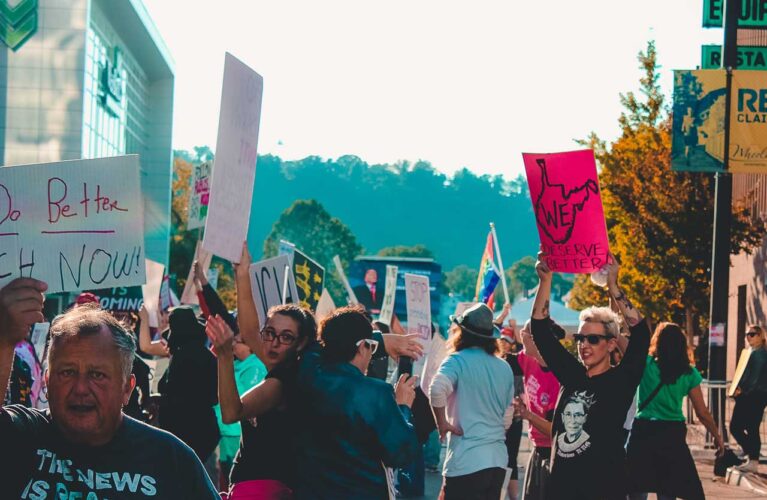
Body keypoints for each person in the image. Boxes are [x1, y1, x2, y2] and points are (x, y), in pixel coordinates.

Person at [0, 278, 219, 498]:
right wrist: (4, 339)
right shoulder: (21, 437)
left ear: (127, 388)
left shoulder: (171, 460)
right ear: (47, 381)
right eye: (67, 372)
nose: (81, 388)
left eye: (97, 375)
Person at [530, 250, 650, 500]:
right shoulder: (572, 375)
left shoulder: (622, 381)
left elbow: (640, 335)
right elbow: (540, 331)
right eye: (580, 338)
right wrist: (546, 281)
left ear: (611, 344)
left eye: (593, 339)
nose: (584, 344)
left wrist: (614, 286)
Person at [293, 306, 420, 499]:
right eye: (372, 347)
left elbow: (314, 347)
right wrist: (402, 407)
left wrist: (378, 340)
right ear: (362, 347)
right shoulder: (376, 392)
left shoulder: (307, 376)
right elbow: (401, 454)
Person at [626, 322, 724, 500]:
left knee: (637, 484)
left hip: (643, 431)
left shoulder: (645, 364)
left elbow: (623, 343)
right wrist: (717, 437)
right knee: (668, 486)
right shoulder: (688, 373)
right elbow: (702, 413)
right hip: (671, 435)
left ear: (657, 341)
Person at [428, 302, 515, 500]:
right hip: (498, 460)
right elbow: (508, 416)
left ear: (461, 332)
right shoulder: (504, 367)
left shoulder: (457, 360)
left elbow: (437, 388)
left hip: (466, 460)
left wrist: (441, 423)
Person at [158, 306, 220, 474]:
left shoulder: (180, 359)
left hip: (181, 431)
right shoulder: (209, 357)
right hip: (205, 430)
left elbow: (165, 388)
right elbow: (215, 397)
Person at [513, 319, 560, 500]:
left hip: (553, 453)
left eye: (524, 331)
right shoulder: (527, 359)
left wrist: (527, 415)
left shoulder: (558, 378)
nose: (521, 335)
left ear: (536, 339)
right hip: (537, 448)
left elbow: (553, 430)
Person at [730, 324, 767, 473]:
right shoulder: (750, 351)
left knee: (744, 427)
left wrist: (742, 391)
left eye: (752, 334)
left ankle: (752, 458)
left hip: (754, 395)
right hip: (751, 395)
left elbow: (754, 377)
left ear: (760, 336)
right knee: (746, 427)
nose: (748, 337)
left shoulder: (759, 354)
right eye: (747, 334)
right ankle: (751, 455)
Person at [498, 321, 524, 500]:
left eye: (508, 340)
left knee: (511, 458)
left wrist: (515, 328)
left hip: (514, 417)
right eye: (502, 340)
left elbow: (524, 346)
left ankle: (514, 497)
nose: (504, 343)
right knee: (497, 458)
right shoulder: (493, 360)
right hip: (496, 416)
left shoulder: (516, 360)